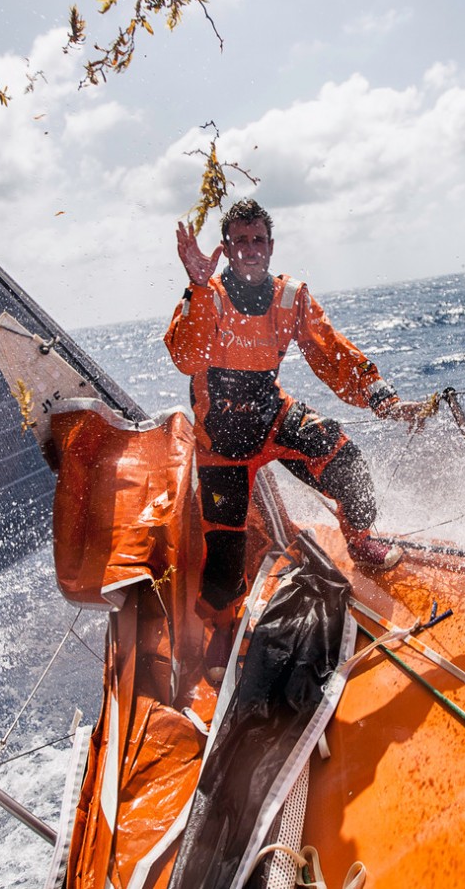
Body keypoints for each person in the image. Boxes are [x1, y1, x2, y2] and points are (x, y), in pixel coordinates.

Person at [165, 198, 429, 616]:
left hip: (272, 415)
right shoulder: (207, 296)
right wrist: (197, 285)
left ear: (270, 246)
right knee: (224, 555)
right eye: (240, 241)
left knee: (347, 459)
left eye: (258, 240)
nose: (250, 248)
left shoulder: (290, 296)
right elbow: (186, 359)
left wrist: (384, 398)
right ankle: (221, 625)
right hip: (221, 441)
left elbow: (332, 350)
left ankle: (360, 542)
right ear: (227, 248)